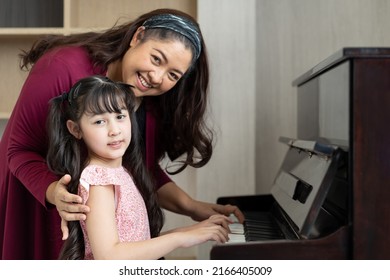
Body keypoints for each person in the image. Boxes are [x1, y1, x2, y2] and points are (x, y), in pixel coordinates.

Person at [0, 8, 244, 260]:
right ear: (138, 36)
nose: (157, 77)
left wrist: (191, 207)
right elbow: (19, 149)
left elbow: (140, 168)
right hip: (42, 208)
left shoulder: (148, 100)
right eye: (156, 59)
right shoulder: (62, 67)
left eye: (172, 75)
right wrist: (54, 192)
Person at [46, 75, 230, 260]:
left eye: (120, 116)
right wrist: (181, 238)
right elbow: (109, 256)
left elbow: (137, 242)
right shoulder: (99, 181)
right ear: (76, 129)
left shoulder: (121, 172)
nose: (115, 130)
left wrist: (194, 230)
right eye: (100, 121)